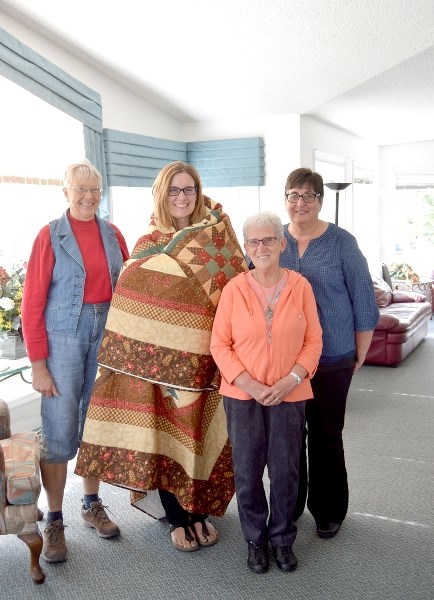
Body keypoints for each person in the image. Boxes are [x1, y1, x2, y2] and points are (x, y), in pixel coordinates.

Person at [75, 161, 247, 552]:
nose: (183, 197)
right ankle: (176, 517)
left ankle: (199, 510)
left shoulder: (218, 237)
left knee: (198, 436)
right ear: (161, 194)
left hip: (206, 360)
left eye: (189, 190)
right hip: (157, 370)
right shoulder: (147, 242)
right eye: (174, 190)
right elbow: (131, 301)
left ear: (199, 192)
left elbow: (237, 290)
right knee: (166, 437)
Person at [21, 160, 129, 563]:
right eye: (80, 189)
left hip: (105, 333)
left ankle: (91, 505)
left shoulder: (113, 233)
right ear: (65, 191)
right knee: (60, 429)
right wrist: (38, 364)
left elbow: (130, 289)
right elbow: (31, 302)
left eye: (95, 190)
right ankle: (54, 519)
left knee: (96, 423)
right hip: (63, 337)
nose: (89, 196)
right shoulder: (50, 236)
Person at [210, 211, 323, 574]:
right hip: (243, 396)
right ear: (246, 247)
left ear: (281, 244)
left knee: (285, 470)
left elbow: (313, 341)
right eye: (254, 241)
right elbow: (220, 345)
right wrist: (251, 384)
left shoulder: (300, 286)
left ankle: (282, 540)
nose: (262, 247)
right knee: (246, 470)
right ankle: (256, 541)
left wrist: (290, 379)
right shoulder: (234, 290)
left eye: (269, 240)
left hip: (289, 394)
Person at [279, 167, 379, 539]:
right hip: (285, 360)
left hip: (333, 357)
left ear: (320, 201)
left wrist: (359, 356)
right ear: (285, 200)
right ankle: (289, 505)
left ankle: (328, 510)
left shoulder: (341, 242)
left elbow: (364, 301)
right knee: (288, 438)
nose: (300, 203)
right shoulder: (275, 241)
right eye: (293, 195)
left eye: (308, 196)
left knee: (325, 435)